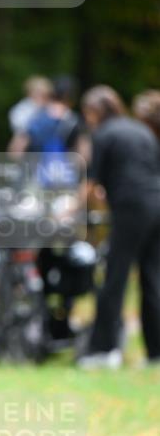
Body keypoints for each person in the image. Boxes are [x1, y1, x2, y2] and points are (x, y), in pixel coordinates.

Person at [78, 86, 160, 369]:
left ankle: (104, 349)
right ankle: (155, 353)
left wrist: (67, 210)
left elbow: (91, 183)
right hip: (156, 203)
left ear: (94, 112)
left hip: (131, 207)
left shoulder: (103, 134)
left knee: (115, 277)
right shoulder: (141, 130)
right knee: (152, 278)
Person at [7, 75, 53, 151]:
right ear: (30, 93)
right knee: (21, 139)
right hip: (27, 137)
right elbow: (19, 124)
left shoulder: (49, 107)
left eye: (45, 95)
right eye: (39, 94)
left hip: (45, 139)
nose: (42, 98)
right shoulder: (24, 107)